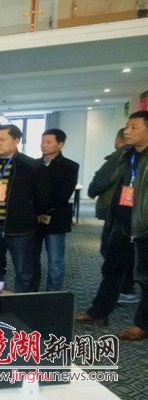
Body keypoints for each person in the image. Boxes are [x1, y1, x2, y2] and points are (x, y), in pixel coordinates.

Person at [76, 110, 148, 341]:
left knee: (144, 278)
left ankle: (142, 325)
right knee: (111, 270)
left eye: (134, 127)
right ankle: (98, 313)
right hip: (122, 222)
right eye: (127, 126)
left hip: (144, 227)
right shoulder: (126, 155)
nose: (127, 131)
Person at [0, 124, 49, 293]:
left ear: (16, 140)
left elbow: (42, 197)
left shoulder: (31, 166)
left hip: (19, 227)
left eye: (2, 140)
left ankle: (23, 304)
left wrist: (30, 214)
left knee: (24, 270)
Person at [88, 128, 138, 303]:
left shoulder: (120, 156)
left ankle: (123, 289)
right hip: (127, 213)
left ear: (119, 140)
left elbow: (100, 181)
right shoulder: (133, 157)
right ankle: (126, 287)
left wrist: (92, 191)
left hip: (117, 213)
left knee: (112, 253)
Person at [31, 129, 79, 291]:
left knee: (55, 260)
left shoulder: (70, 166)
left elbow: (63, 194)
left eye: (48, 142)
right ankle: (32, 292)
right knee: (32, 258)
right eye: (42, 141)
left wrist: (43, 209)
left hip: (56, 218)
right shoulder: (33, 165)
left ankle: (53, 294)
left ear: (60, 144)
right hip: (33, 219)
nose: (43, 145)